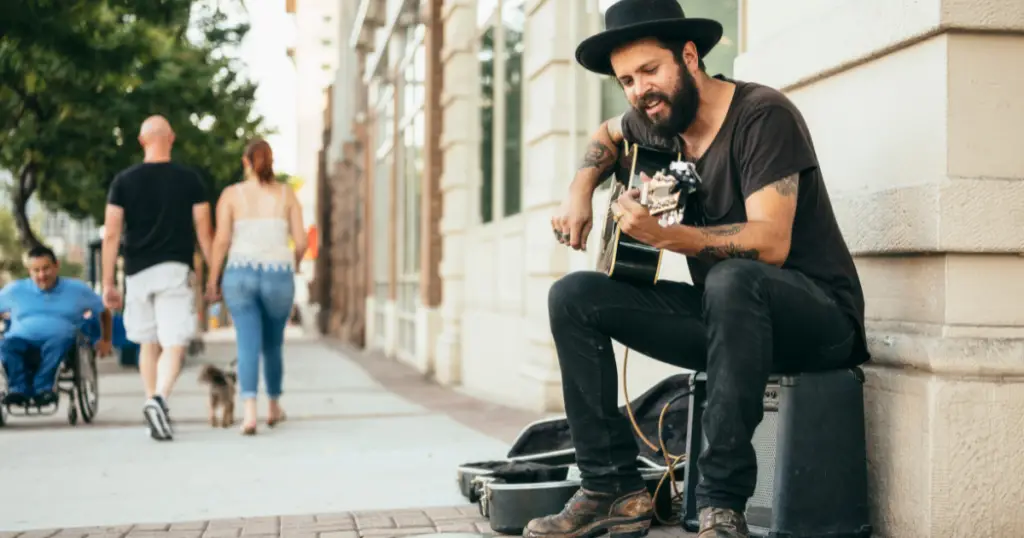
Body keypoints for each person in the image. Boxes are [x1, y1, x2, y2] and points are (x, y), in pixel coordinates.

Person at [533, 1, 869, 537]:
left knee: (734, 279)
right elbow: (606, 136)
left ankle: (720, 504)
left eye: (650, 71)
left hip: (818, 320)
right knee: (574, 296)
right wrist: (579, 194)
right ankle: (612, 489)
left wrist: (670, 237)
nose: (639, 90)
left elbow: (771, 243)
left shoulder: (763, 116)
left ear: (689, 56)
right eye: (626, 80)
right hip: (728, 323)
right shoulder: (659, 123)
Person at [102, 115, 214, 441]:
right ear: (172, 138)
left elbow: (111, 234)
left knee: (147, 342)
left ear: (141, 141)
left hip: (137, 273)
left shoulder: (123, 181)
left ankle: (152, 401)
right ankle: (159, 399)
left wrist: (109, 283)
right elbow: (204, 232)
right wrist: (213, 276)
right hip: (174, 270)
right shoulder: (190, 180)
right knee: (175, 343)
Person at [204, 139, 306, 436]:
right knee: (273, 345)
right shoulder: (288, 195)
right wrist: (295, 263)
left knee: (247, 343)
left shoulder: (231, 195)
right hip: (278, 275)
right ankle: (273, 407)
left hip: (240, 274)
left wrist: (213, 279)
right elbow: (301, 242)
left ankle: (249, 413)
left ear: (245, 162)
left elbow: (221, 241)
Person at [0, 246, 113, 406]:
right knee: (5, 345)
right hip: (20, 340)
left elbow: (103, 311)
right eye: (36, 270)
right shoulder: (15, 290)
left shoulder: (77, 289)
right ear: (29, 271)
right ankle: (17, 389)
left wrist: (106, 340)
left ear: (56, 266)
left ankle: (43, 389)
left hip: (60, 341)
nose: (41, 275)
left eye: (46, 268)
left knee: (60, 339)